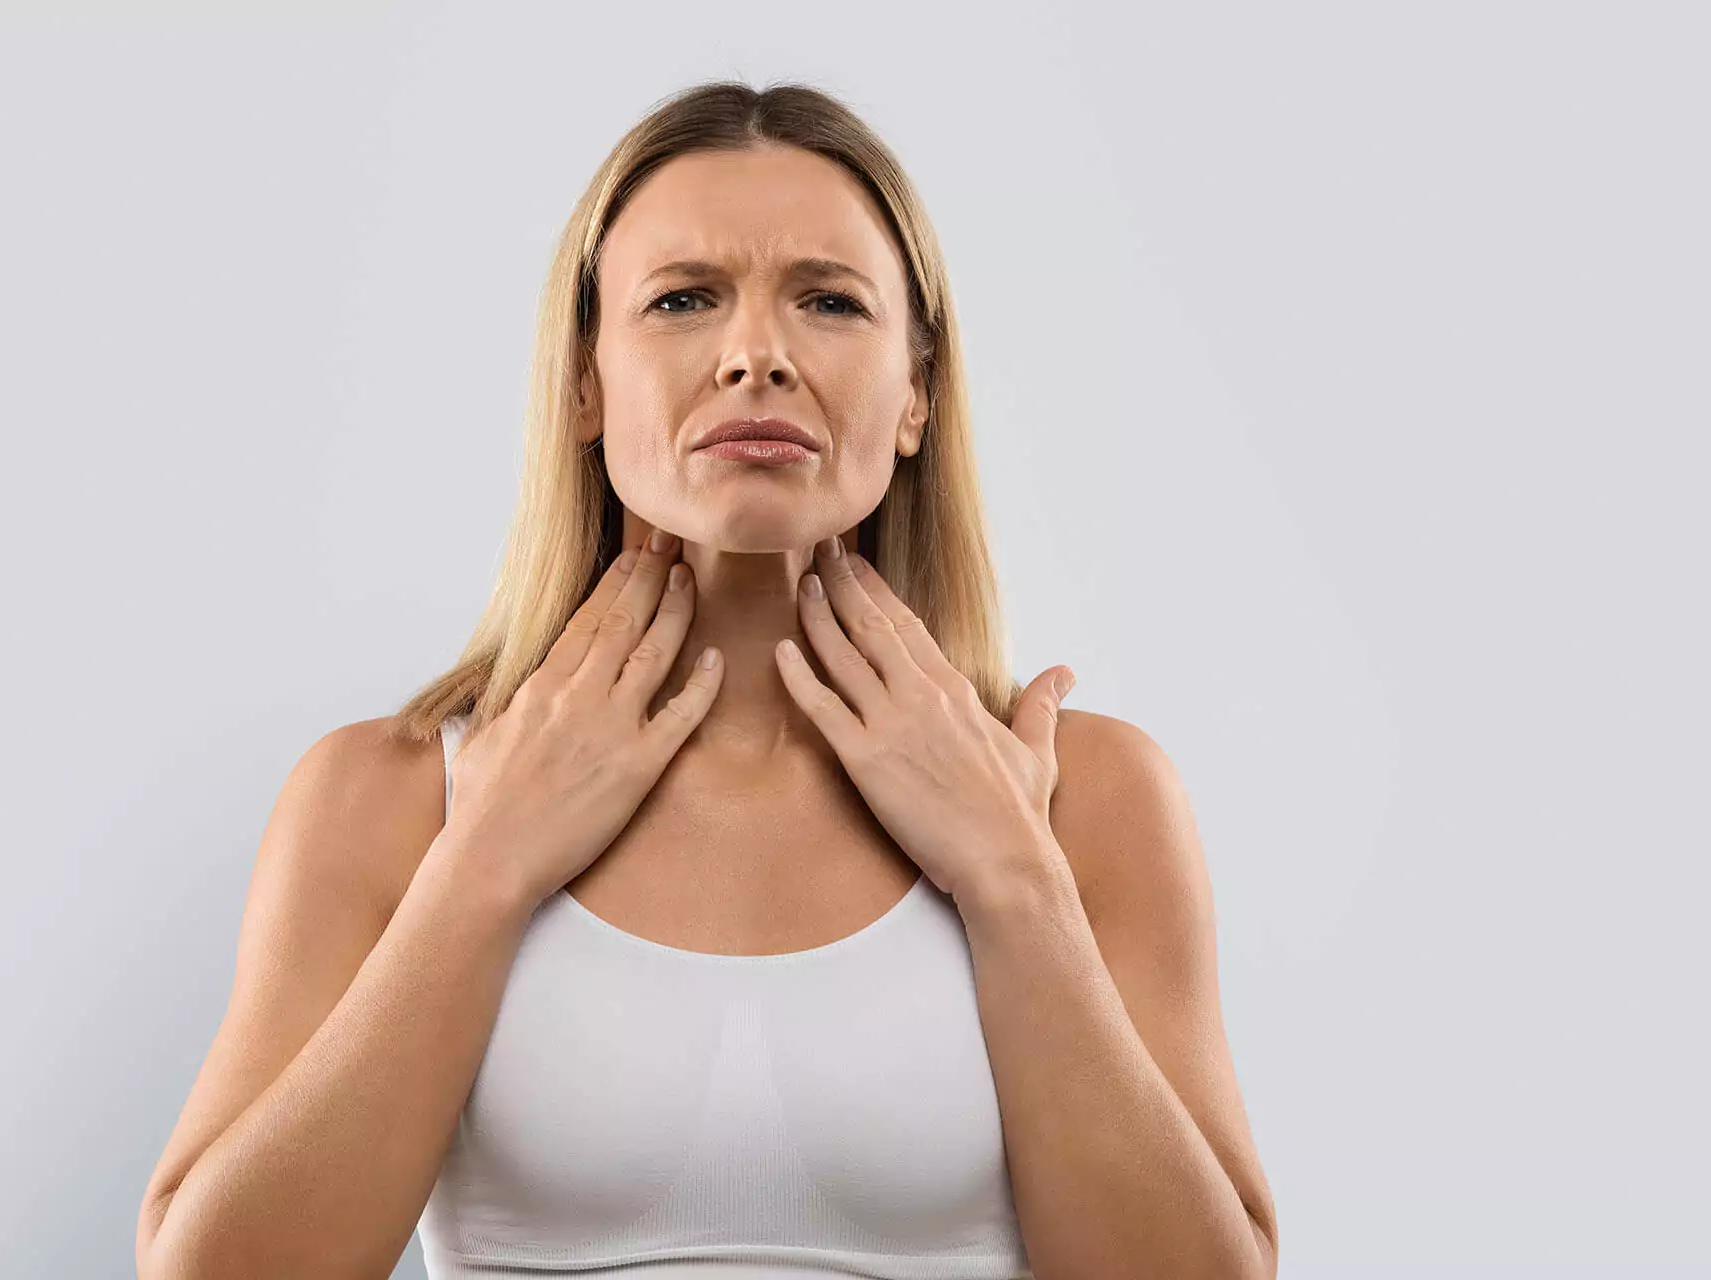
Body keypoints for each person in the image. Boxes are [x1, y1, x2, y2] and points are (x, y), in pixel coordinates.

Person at [136, 79, 1278, 1280]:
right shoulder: (388, 795)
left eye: (829, 301)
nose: (755, 357)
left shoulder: (1085, 797)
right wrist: (483, 865)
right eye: (683, 299)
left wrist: (1013, 875)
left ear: (918, 393)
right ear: (584, 379)